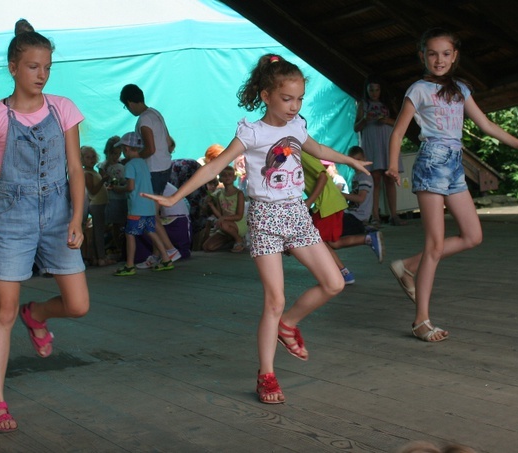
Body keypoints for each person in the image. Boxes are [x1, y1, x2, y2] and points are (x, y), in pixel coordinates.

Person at [144, 54, 370, 404]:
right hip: (265, 218)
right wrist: (176, 198)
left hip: (296, 214)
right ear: (266, 96)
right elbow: (213, 167)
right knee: (274, 299)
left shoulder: (297, 126)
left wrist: (350, 160)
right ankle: (266, 374)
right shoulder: (252, 132)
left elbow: (319, 149)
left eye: (299, 99)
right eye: (286, 98)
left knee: (334, 282)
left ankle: (288, 324)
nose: (294, 106)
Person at [0, 19, 90, 433]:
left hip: (58, 213)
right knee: (3, 310)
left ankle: (39, 314)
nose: (42, 75)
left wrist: (77, 217)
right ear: (13, 67)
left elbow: (76, 168)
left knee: (79, 305)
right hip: (11, 216)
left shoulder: (62, 107)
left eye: (47, 67)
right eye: (33, 67)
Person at [386, 27, 518, 342]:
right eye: (432, 53)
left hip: (454, 166)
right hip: (431, 163)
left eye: (446, 54)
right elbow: (397, 132)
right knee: (434, 244)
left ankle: (408, 266)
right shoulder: (418, 89)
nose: (439, 59)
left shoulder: (461, 89)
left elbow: (486, 125)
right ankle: (421, 320)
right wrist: (393, 165)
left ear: (455, 56)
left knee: (473, 235)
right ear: (423, 55)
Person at [119, 84, 182, 268]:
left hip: (154, 170)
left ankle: (169, 250)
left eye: (126, 105)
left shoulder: (144, 120)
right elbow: (169, 143)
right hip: (164, 166)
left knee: (149, 215)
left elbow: (150, 148)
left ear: (130, 102)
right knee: (154, 213)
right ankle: (158, 255)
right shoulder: (155, 113)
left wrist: (131, 160)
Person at [302, 152, 381, 285]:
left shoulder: (301, 154)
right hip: (328, 204)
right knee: (331, 243)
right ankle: (346, 271)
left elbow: (323, 177)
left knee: (317, 242)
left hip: (328, 204)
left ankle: (342, 272)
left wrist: (309, 201)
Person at [110, 132, 174, 276]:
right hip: (149, 206)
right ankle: (166, 258)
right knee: (150, 231)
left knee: (130, 234)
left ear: (126, 148)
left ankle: (129, 265)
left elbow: (130, 187)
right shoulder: (144, 163)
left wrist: (118, 189)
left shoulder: (130, 165)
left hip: (137, 207)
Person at [354, 75, 406, 226]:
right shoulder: (363, 104)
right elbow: (356, 127)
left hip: (387, 141)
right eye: (371, 90)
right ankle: (375, 216)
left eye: (377, 89)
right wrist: (365, 119)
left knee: (390, 178)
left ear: (381, 90)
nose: (374, 93)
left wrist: (386, 120)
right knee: (375, 179)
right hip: (371, 142)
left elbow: (399, 122)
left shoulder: (388, 103)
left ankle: (394, 215)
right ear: (367, 90)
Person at [202, 166, 247, 253]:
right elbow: (219, 215)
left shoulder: (239, 193)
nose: (227, 177)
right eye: (224, 175)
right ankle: (231, 238)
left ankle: (239, 240)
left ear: (234, 178)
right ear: (220, 179)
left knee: (223, 224)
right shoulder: (219, 194)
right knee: (207, 247)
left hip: (238, 224)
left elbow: (239, 216)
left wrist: (223, 219)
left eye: (230, 175)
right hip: (224, 224)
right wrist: (211, 205)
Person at [82, 145, 113, 266]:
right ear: (82, 160)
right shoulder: (87, 174)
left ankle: (96, 257)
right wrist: (103, 180)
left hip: (101, 203)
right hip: (96, 204)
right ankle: (101, 257)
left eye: (93, 156)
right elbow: (93, 191)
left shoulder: (93, 171)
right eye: (88, 157)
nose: (91, 159)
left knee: (98, 231)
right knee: (98, 232)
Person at [98, 135, 125, 262]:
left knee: (123, 222)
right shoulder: (103, 166)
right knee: (114, 223)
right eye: (114, 153)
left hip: (123, 196)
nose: (116, 156)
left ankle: (123, 246)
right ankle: (117, 247)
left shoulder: (123, 163)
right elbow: (104, 180)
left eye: (118, 153)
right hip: (112, 198)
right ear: (107, 152)